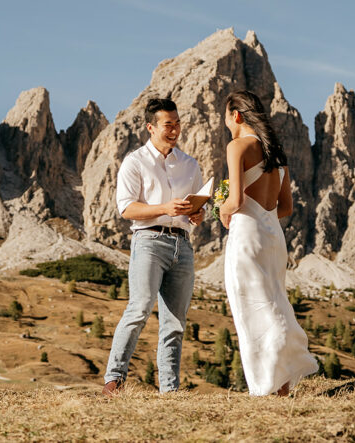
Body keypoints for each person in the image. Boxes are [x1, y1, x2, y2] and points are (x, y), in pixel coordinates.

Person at [102, 98, 205, 396]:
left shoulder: (190, 164)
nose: (174, 130)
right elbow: (126, 209)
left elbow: (197, 209)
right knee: (140, 308)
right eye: (167, 125)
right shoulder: (135, 162)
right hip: (149, 242)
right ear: (151, 127)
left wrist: (198, 214)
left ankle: (169, 391)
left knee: (175, 322)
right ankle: (114, 380)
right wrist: (164, 208)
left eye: (177, 123)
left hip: (183, 246)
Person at [218, 90, 317, 396]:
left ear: (236, 115)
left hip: (247, 235)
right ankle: (282, 383)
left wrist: (221, 208)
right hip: (273, 236)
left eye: (226, 117)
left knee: (250, 308)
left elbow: (234, 200)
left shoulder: (238, 146)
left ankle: (264, 385)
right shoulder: (276, 154)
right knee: (274, 301)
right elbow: (285, 207)